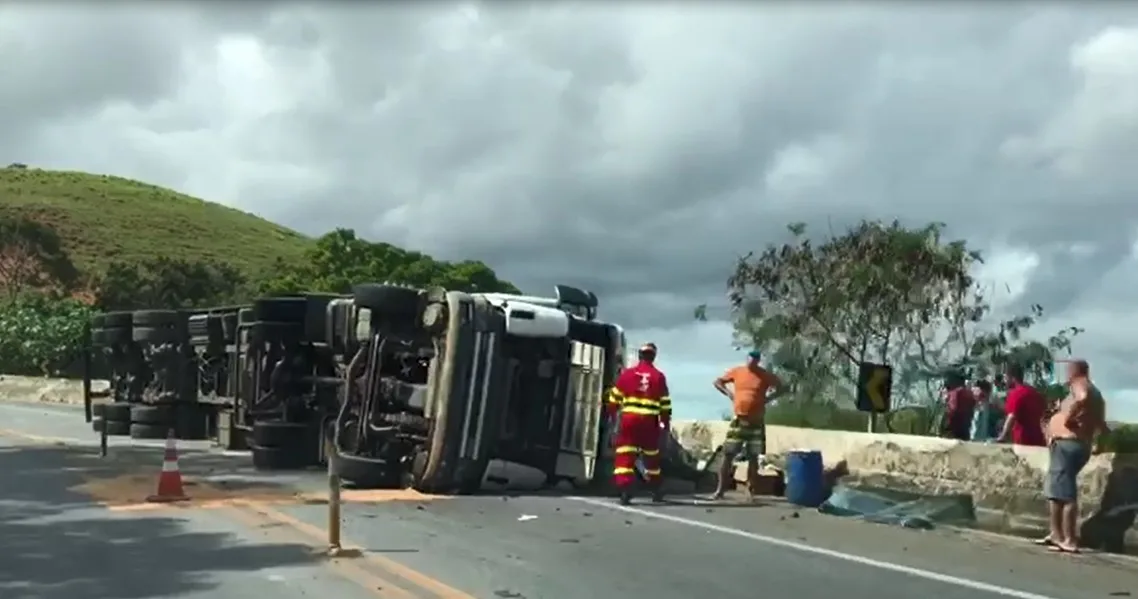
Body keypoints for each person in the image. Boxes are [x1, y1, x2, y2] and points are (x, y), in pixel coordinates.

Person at [1036, 359, 1109, 554]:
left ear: (1075, 371)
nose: (1067, 374)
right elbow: (1101, 423)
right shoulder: (1097, 394)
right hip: (1076, 445)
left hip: (1068, 444)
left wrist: (1068, 420)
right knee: (1057, 492)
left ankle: (1068, 539)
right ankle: (1056, 534)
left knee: (1065, 494)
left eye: (1069, 370)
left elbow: (1082, 398)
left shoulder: (1081, 385)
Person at [710, 350, 784, 500]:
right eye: (751, 359)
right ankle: (720, 490)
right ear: (747, 359)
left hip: (756, 421)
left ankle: (750, 491)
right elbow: (718, 382)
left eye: (756, 359)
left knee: (753, 457)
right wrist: (730, 394)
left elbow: (782, 387)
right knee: (727, 454)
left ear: (758, 361)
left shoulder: (764, 375)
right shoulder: (738, 372)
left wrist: (768, 399)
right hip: (739, 419)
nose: (753, 361)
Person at [607, 342, 671, 505]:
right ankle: (656, 488)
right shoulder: (659, 377)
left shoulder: (627, 374)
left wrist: (613, 419)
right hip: (650, 423)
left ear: (639, 356)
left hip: (629, 421)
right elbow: (665, 405)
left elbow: (613, 401)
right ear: (653, 357)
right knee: (652, 456)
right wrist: (665, 425)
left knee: (625, 455)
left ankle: (625, 490)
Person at [996, 363, 1046, 447]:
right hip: (1038, 438)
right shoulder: (1034, 392)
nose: (1004, 381)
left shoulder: (1016, 393)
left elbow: (1011, 416)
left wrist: (1002, 436)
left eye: (1005, 377)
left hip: (1023, 439)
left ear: (1012, 377)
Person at [942, 373, 976, 441]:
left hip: (954, 426)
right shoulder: (969, 392)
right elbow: (973, 405)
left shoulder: (955, 393)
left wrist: (946, 401)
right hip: (966, 425)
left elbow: (952, 410)